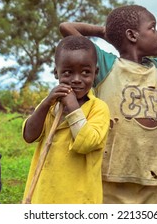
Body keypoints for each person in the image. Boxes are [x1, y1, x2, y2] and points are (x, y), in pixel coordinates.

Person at [59, 5, 157, 204]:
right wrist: (106, 33)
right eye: (153, 28)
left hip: (151, 173)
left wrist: (150, 39)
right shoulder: (107, 65)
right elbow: (67, 28)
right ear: (132, 35)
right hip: (111, 171)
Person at [22, 35, 111, 204]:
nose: (77, 79)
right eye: (68, 72)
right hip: (44, 194)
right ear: (56, 72)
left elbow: (87, 143)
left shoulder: (98, 108)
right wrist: (46, 103)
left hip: (79, 198)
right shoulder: (50, 105)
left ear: (96, 72)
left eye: (85, 72)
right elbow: (29, 135)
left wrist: (73, 108)